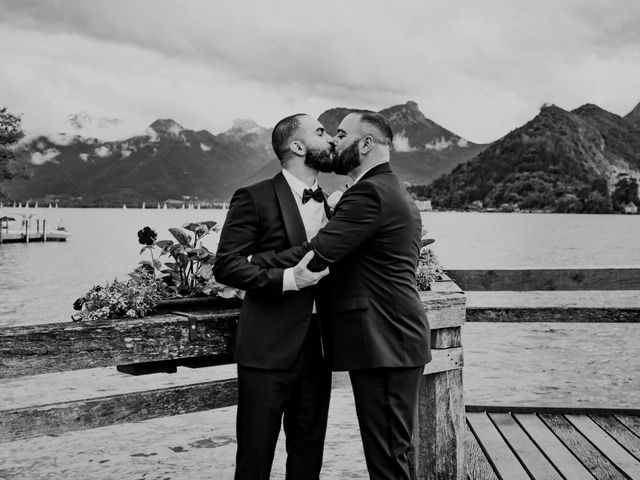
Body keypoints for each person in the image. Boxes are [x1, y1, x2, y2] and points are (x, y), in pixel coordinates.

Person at [251, 111, 431, 480]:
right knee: (393, 455)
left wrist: (252, 260)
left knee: (387, 462)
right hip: (393, 339)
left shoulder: (369, 194)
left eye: (341, 133)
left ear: (365, 144)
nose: (334, 140)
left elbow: (317, 254)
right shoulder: (387, 188)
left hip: (385, 342)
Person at [213, 113, 335, 480]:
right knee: (254, 461)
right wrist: (287, 279)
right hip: (266, 351)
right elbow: (227, 266)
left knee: (308, 460)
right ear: (297, 146)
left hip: (319, 350)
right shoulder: (254, 196)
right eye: (320, 132)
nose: (330, 139)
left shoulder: (330, 205)